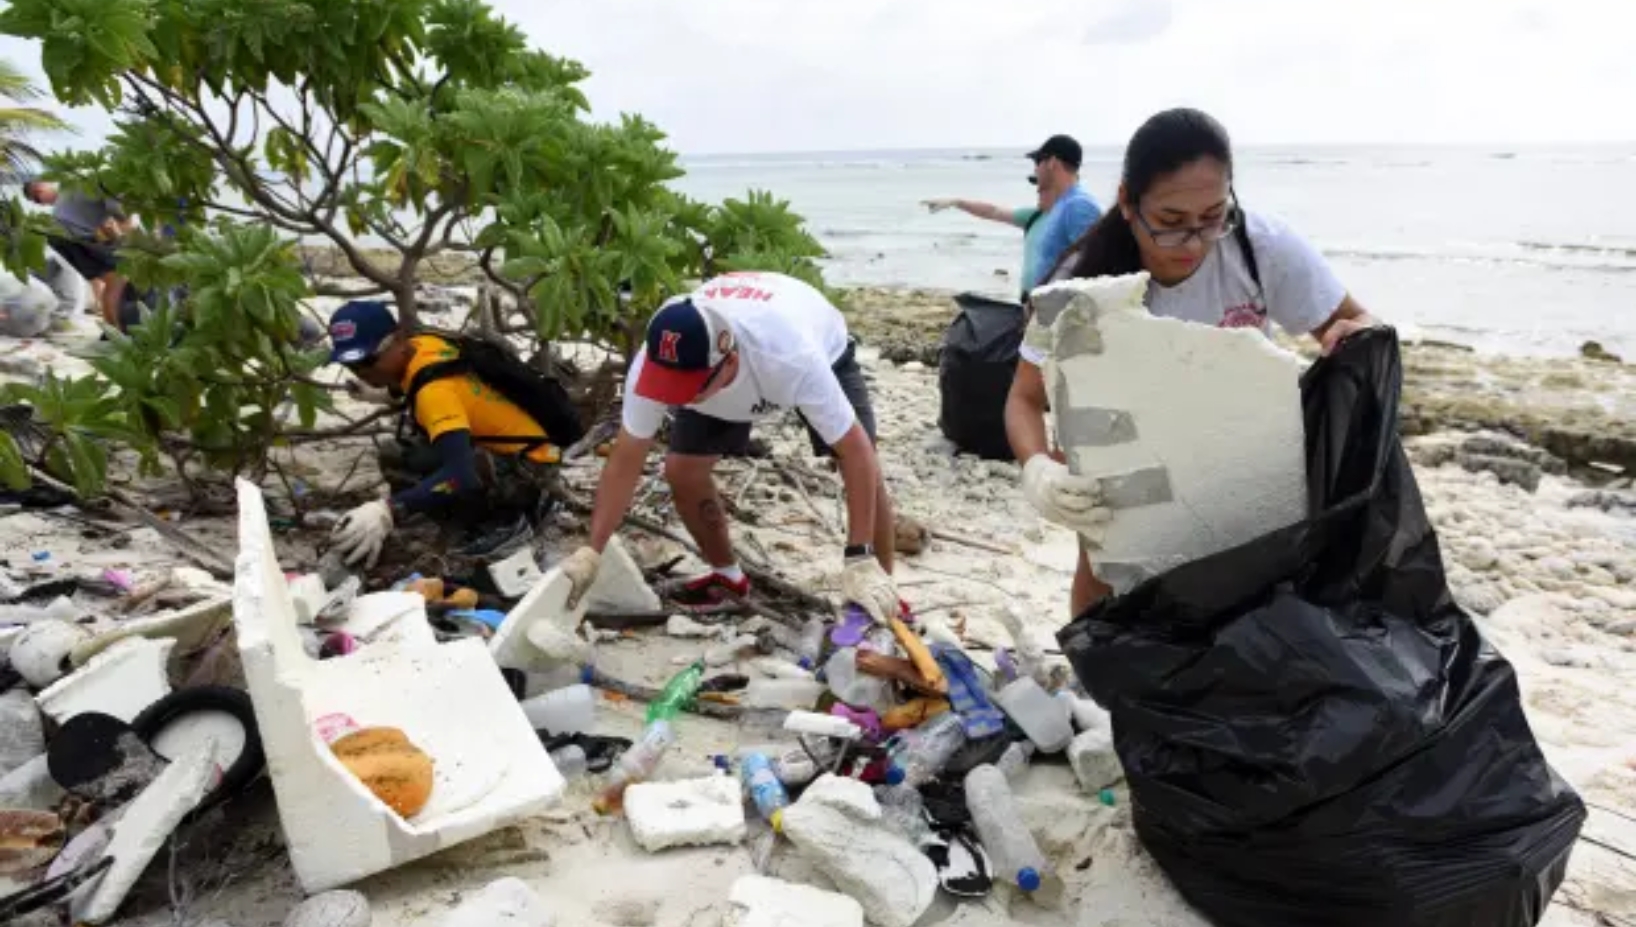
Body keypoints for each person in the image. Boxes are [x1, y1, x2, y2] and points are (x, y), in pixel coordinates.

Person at [1005, 108, 1381, 617]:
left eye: (1212, 217)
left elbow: (1358, 324)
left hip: (1242, 449)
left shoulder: (1259, 247)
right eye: (1170, 223)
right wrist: (1037, 469)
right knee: (1107, 573)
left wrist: (1358, 337)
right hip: (1127, 450)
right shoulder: (1082, 282)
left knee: (1245, 588)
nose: (1195, 242)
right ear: (1127, 202)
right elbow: (1024, 398)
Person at [558, 271, 902, 623]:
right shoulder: (661, 358)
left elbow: (856, 452)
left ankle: (879, 593)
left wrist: (859, 556)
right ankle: (729, 579)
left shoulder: (790, 358)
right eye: (669, 385)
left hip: (815, 344)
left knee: (867, 474)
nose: (677, 398)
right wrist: (592, 550)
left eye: (686, 387)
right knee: (683, 471)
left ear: (729, 362)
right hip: (729, 364)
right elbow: (625, 459)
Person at [324, 300, 566, 567]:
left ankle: (506, 525)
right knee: (398, 455)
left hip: (530, 470)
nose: (363, 373)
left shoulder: (434, 392)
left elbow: (460, 475)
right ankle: (462, 519)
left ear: (399, 339)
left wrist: (388, 509)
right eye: (351, 366)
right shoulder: (424, 345)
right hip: (527, 450)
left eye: (368, 361)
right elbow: (422, 379)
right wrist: (384, 394)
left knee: (453, 468)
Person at [922, 134, 1102, 298]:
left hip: (1057, 311)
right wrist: (957, 202)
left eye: (1037, 162)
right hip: (1040, 307)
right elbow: (993, 211)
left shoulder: (1078, 206)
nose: (1035, 171)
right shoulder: (1060, 207)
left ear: (1052, 163)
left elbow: (1092, 268)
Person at [22, 179, 137, 330]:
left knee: (112, 280)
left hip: (65, 237)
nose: (42, 205)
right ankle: (118, 331)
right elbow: (121, 215)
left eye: (38, 200)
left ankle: (111, 331)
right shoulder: (110, 183)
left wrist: (118, 238)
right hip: (71, 236)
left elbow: (106, 223)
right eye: (37, 201)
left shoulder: (72, 188)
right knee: (117, 279)